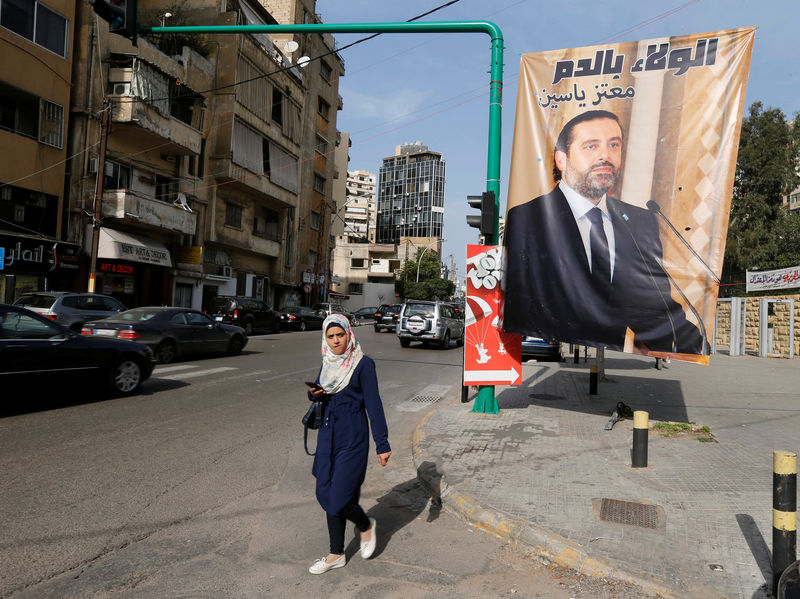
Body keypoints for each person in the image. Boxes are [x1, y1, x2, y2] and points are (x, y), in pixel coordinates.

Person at [504, 110, 708, 355]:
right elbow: (519, 302)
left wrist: (697, 349)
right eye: (591, 146)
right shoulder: (528, 219)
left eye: (614, 145)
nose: (605, 156)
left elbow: (655, 307)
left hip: (613, 360)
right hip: (560, 353)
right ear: (562, 159)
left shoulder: (641, 222)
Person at [307, 314, 392, 574]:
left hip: (352, 437)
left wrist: (382, 443)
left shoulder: (363, 364)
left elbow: (374, 404)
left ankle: (364, 526)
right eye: (330, 336)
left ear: (349, 334)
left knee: (339, 496)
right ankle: (339, 554)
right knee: (324, 492)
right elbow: (321, 394)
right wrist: (313, 394)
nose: (335, 341)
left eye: (340, 335)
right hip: (327, 437)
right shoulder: (328, 363)